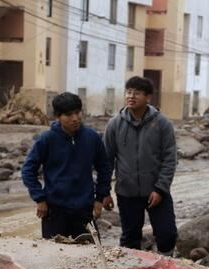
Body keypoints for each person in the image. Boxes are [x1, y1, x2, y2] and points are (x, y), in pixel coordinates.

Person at [21, 92, 112, 241]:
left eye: (77, 112)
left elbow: (104, 168)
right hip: (54, 211)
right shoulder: (47, 139)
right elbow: (27, 170)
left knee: (90, 252)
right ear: (58, 116)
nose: (75, 118)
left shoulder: (92, 137)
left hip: (84, 210)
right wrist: (39, 199)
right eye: (69, 115)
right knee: (55, 253)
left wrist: (99, 198)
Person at [104, 76, 178, 254]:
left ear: (148, 97)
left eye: (137, 93)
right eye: (128, 92)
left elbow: (170, 159)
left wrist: (160, 189)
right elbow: (106, 160)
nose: (131, 96)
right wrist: (104, 191)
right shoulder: (115, 124)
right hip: (126, 192)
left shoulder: (162, 123)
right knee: (130, 238)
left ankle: (166, 265)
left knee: (167, 234)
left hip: (156, 191)